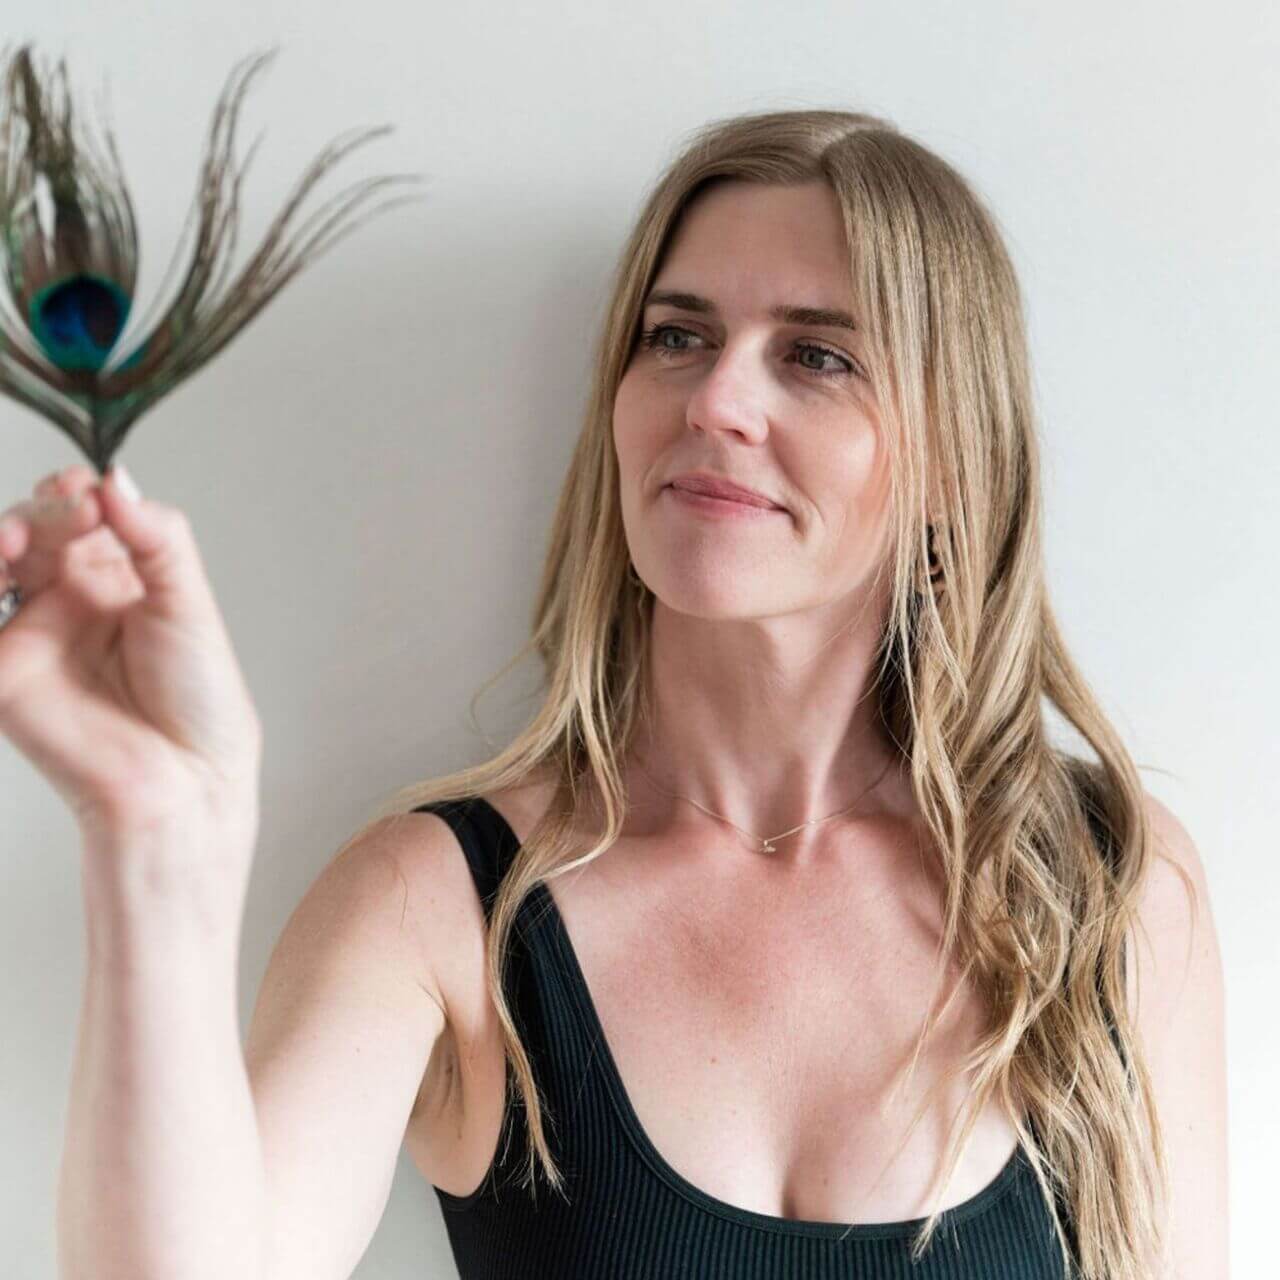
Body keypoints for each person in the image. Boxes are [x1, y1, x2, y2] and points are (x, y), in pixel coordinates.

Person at [0, 109, 1227, 1280]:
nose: (714, 400)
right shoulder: (443, 904)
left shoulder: (1104, 888)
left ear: (954, 460)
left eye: (815, 355)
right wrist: (161, 832)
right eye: (676, 336)